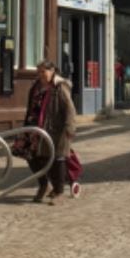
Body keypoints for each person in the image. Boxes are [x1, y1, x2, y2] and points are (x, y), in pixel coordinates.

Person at [22, 59, 77, 204]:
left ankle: (59, 191)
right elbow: (30, 106)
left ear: (52, 71)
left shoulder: (60, 86)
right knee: (30, 155)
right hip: (34, 128)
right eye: (38, 72)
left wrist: (70, 128)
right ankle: (43, 184)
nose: (40, 75)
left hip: (55, 129)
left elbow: (69, 109)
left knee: (57, 159)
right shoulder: (36, 86)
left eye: (43, 71)